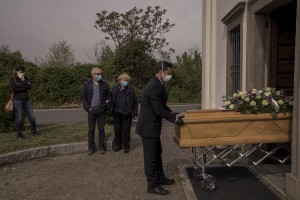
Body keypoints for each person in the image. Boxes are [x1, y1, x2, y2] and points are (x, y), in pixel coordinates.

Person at [135, 61, 184, 195]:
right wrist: (174, 119)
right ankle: (152, 185)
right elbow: (158, 110)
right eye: (168, 73)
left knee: (157, 154)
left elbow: (161, 105)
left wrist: (174, 114)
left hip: (152, 127)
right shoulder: (154, 86)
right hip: (148, 128)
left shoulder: (158, 83)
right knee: (151, 157)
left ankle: (160, 178)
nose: (169, 76)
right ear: (160, 72)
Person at [80, 67, 112, 155]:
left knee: (101, 129)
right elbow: (83, 97)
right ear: (93, 75)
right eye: (98, 74)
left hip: (101, 110)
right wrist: (88, 108)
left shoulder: (105, 84)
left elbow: (109, 97)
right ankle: (91, 148)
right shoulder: (87, 84)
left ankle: (101, 147)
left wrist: (106, 107)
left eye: (101, 74)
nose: (100, 75)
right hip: (91, 110)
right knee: (91, 129)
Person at [111, 73, 138, 153]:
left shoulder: (131, 89)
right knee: (117, 130)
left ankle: (126, 146)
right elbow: (111, 99)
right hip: (117, 113)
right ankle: (118, 146)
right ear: (119, 81)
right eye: (124, 80)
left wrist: (135, 113)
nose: (126, 82)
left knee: (126, 131)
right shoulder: (115, 89)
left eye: (127, 80)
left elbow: (135, 101)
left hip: (127, 113)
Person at [10, 65, 37, 139]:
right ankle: (19, 135)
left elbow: (30, 87)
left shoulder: (25, 78)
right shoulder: (13, 79)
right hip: (17, 100)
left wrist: (23, 79)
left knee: (32, 117)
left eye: (23, 72)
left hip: (27, 100)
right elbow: (13, 90)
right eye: (20, 72)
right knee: (19, 118)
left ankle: (34, 132)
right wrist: (23, 88)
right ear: (16, 72)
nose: (22, 73)